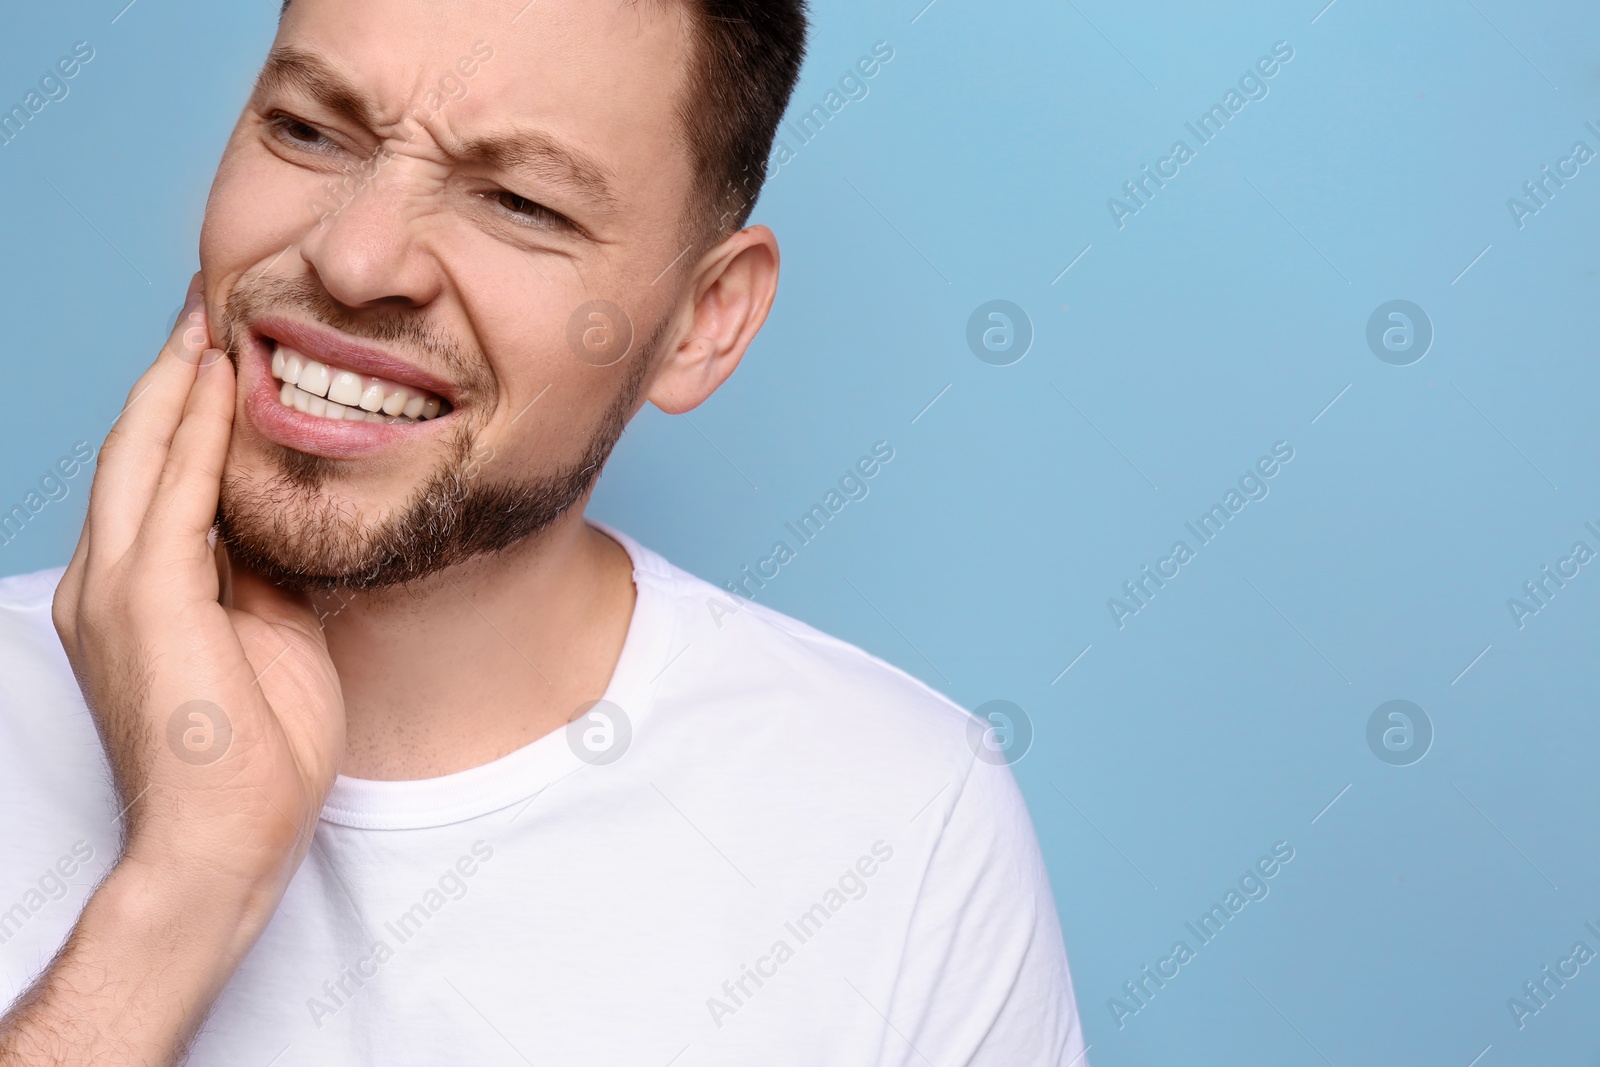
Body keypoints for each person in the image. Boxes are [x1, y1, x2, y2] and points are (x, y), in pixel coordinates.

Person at [0, 0, 1087, 1063]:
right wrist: (186, 886)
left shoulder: (903, 819)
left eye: (519, 201)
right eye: (308, 130)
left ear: (702, 321)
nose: (357, 259)